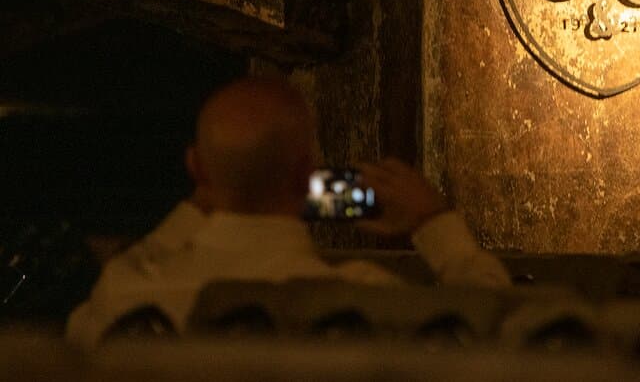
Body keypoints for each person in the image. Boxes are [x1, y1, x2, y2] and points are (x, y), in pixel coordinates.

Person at [66, 78, 510, 348]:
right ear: (305, 173)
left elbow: (139, 263)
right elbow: (492, 332)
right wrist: (434, 222)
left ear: (196, 168)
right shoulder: (360, 298)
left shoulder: (125, 291)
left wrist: (209, 187)